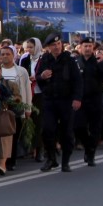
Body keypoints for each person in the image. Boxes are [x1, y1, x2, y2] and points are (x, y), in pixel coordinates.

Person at [35, 39, 81, 173]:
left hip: (66, 100)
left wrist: (77, 98)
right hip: (50, 100)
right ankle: (51, 158)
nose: (56, 47)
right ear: (48, 47)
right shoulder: (44, 60)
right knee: (47, 130)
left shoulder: (69, 60)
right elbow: (37, 76)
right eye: (53, 45)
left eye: (58, 44)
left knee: (66, 132)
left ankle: (65, 161)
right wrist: (41, 76)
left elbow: (78, 81)